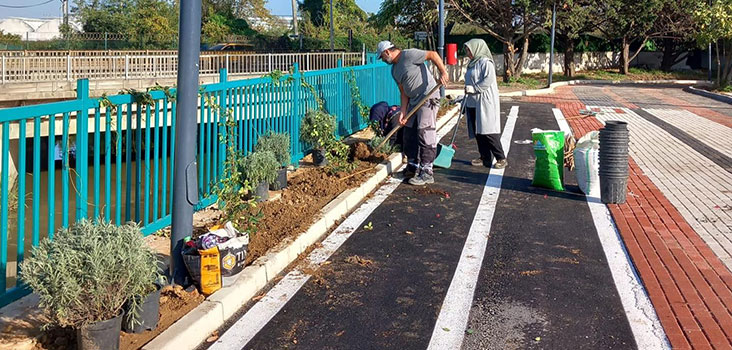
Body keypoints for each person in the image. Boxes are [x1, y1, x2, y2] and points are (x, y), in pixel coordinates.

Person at [377, 40, 449, 185]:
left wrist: (443, 72)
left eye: (383, 58)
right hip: (414, 102)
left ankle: (427, 172)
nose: (384, 61)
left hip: (428, 98)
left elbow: (433, 55)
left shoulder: (409, 55)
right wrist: (403, 112)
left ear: (387, 52)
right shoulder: (394, 70)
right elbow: (403, 92)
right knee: (408, 132)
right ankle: (412, 167)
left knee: (425, 132)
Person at [463, 38, 507, 169]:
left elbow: (488, 80)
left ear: (477, 48)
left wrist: (475, 88)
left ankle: (501, 158)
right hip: (473, 101)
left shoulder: (486, 63)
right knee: (478, 131)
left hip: (485, 100)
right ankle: (485, 157)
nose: (467, 52)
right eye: (466, 50)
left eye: (469, 49)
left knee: (489, 131)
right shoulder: (471, 64)